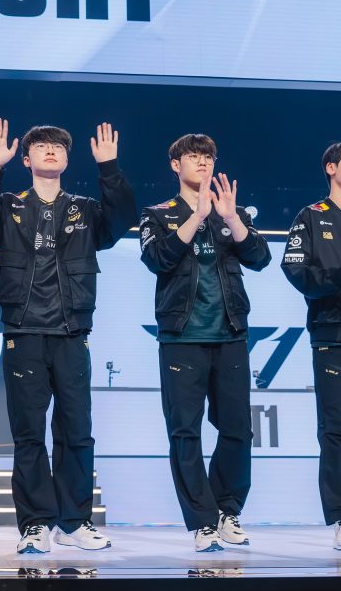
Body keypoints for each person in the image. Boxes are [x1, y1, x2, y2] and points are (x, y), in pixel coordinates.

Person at [0, 118, 137, 553]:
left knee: (77, 431)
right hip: (23, 332)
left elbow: (122, 221)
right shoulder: (7, 205)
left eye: (58, 147)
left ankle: (74, 522)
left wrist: (109, 168)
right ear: (26, 160)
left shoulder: (86, 209)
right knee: (29, 434)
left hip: (71, 332)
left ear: (67, 159)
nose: (50, 151)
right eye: (41, 146)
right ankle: (35, 524)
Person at [139, 133, 271, 552]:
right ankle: (201, 522)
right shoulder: (157, 214)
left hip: (231, 334)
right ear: (175, 164)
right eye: (193, 156)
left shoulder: (233, 211)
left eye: (208, 157)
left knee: (238, 430)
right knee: (185, 432)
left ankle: (227, 510)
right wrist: (195, 218)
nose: (202, 162)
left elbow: (261, 258)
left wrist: (231, 218)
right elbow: (156, 259)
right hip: (182, 337)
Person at [281, 141, 341, 550]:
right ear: (331, 168)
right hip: (332, 334)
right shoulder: (311, 216)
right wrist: (336, 277)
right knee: (336, 430)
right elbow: (295, 270)